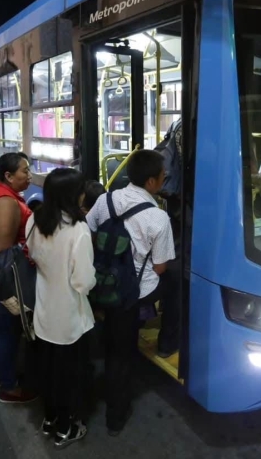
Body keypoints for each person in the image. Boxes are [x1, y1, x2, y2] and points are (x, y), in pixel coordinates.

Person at [85, 149, 175, 436]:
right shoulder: (158, 218)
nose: (164, 179)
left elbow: (88, 233)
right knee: (122, 354)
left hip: (101, 282)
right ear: (151, 182)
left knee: (112, 340)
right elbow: (160, 267)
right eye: (163, 176)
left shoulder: (105, 199)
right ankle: (116, 414)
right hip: (133, 294)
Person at [27, 168, 95, 448]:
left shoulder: (36, 218)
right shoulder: (78, 230)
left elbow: (32, 254)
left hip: (43, 309)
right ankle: (66, 428)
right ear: (73, 195)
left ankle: (49, 418)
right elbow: (82, 282)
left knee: (47, 368)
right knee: (70, 374)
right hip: (69, 316)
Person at [0, 152, 38, 404]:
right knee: (8, 332)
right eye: (24, 171)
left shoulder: (7, 195)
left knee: (4, 329)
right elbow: (4, 249)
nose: (29, 175)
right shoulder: (5, 202)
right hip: (3, 276)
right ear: (8, 175)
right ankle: (8, 386)